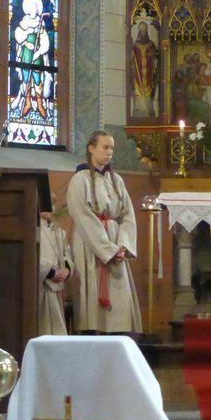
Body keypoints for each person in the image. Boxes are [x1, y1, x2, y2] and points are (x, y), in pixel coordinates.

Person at [67, 131, 142, 334]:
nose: (109, 152)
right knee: (92, 299)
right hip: (92, 246)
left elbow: (128, 215)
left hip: (116, 244)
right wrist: (108, 250)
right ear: (91, 148)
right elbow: (83, 217)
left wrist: (123, 246)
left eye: (112, 148)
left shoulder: (116, 180)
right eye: (105, 147)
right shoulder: (79, 180)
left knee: (119, 305)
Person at [38, 204, 74, 336]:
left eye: (53, 203)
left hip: (57, 289)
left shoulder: (57, 229)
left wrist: (67, 269)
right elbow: (32, 254)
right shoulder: (33, 226)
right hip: (42, 287)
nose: (51, 207)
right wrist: (50, 272)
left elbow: (66, 253)